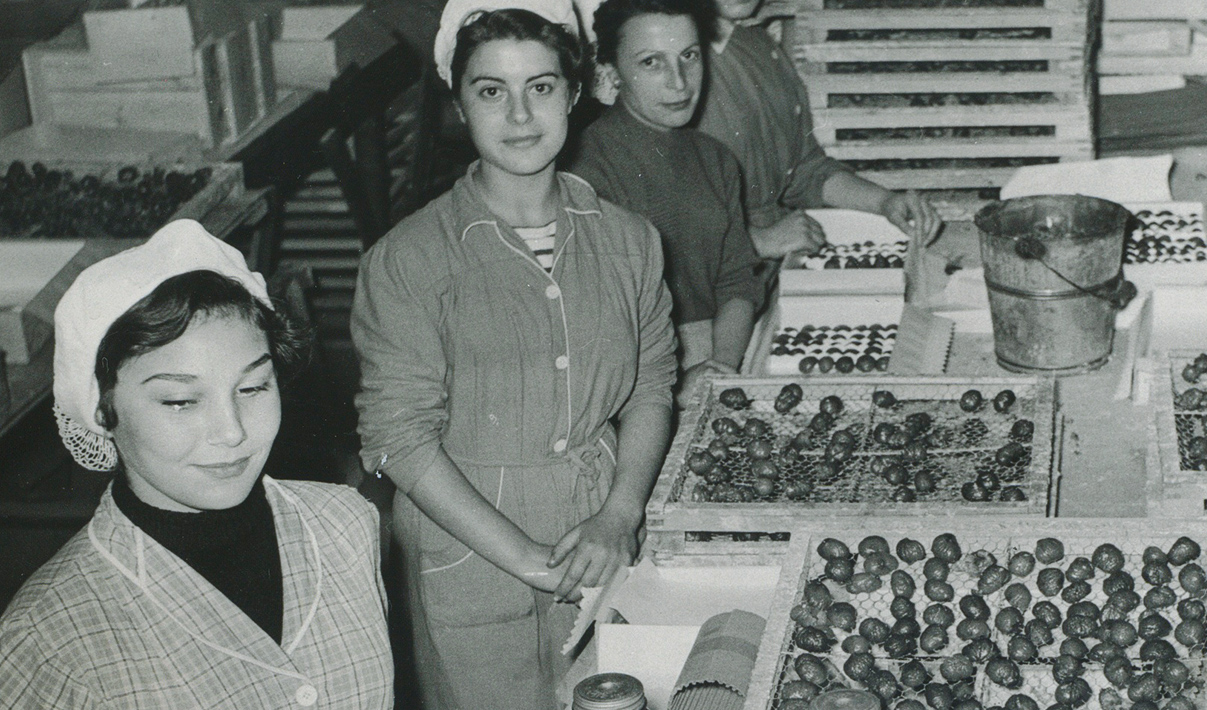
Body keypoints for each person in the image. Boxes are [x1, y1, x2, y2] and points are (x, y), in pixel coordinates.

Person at [351, 0, 678, 706]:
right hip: (470, 550)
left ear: (576, 91)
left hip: (601, 527)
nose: (521, 115)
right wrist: (524, 558)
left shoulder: (629, 241)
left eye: (541, 86)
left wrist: (620, 514)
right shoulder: (409, 260)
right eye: (491, 90)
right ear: (459, 104)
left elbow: (652, 386)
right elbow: (397, 439)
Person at [0, 221, 391, 709]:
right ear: (102, 411)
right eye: (181, 401)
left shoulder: (344, 525)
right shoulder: (50, 639)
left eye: (252, 388)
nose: (232, 432)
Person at [570, 0, 762, 395]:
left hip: (720, 357)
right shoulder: (586, 173)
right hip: (639, 385)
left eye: (689, 56)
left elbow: (737, 283)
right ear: (610, 72)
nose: (680, 82)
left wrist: (720, 367)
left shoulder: (715, 158)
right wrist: (674, 392)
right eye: (651, 62)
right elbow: (595, 335)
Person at [692, 0, 939, 260]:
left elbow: (803, 170)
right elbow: (661, 209)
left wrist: (885, 203)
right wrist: (757, 241)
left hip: (769, 272)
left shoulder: (755, 42)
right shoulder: (675, 64)